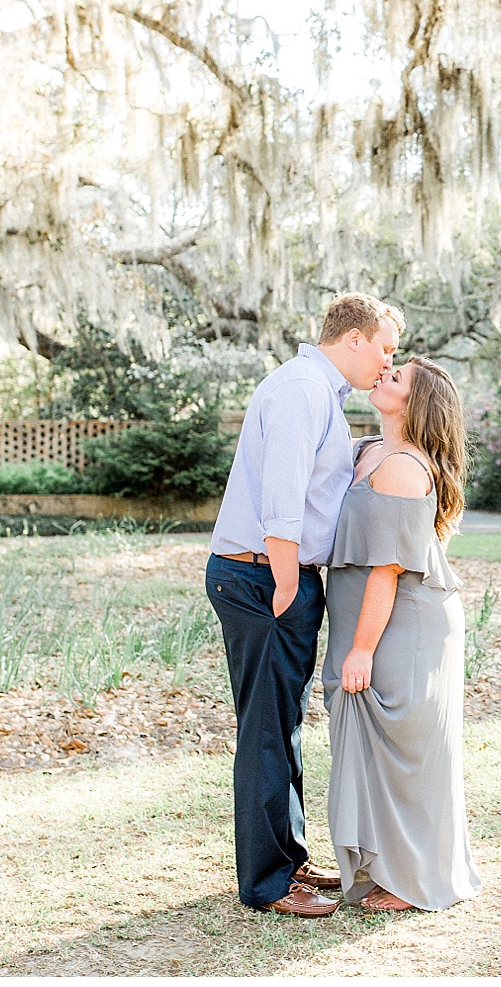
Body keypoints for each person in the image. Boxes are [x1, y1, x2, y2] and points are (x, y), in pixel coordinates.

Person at [206, 293, 402, 918]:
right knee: (267, 728)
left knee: (283, 724)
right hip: (264, 577)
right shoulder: (301, 390)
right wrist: (288, 586)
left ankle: (287, 858)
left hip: (276, 576)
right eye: (385, 348)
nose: (387, 362)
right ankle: (267, 882)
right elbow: (284, 497)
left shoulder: (320, 394)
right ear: (354, 339)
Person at [323, 356, 483, 912]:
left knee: (405, 747)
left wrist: (361, 648)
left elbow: (386, 570)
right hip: (369, 617)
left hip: (405, 623)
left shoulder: (406, 469)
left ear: (415, 403)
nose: (385, 373)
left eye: (398, 378)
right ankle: (383, 864)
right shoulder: (369, 451)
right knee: (373, 743)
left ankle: (413, 879)